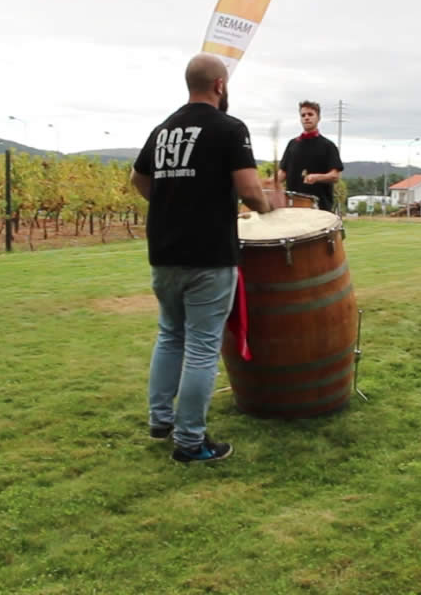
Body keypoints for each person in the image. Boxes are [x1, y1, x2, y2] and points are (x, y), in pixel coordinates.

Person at [131, 53, 278, 463]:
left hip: (163, 252)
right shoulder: (229, 128)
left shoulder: (163, 130)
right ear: (219, 85)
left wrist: (171, 201)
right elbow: (250, 191)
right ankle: (190, 442)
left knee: (169, 334)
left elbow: (138, 179)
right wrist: (268, 205)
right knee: (201, 348)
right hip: (209, 255)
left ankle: (161, 420)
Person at [279, 100, 344, 212]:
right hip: (293, 206)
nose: (306, 117)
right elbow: (283, 173)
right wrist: (267, 182)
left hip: (319, 207)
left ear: (318, 118)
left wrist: (316, 177)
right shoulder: (292, 144)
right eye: (303, 115)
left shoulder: (328, 146)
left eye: (310, 114)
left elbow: (335, 176)